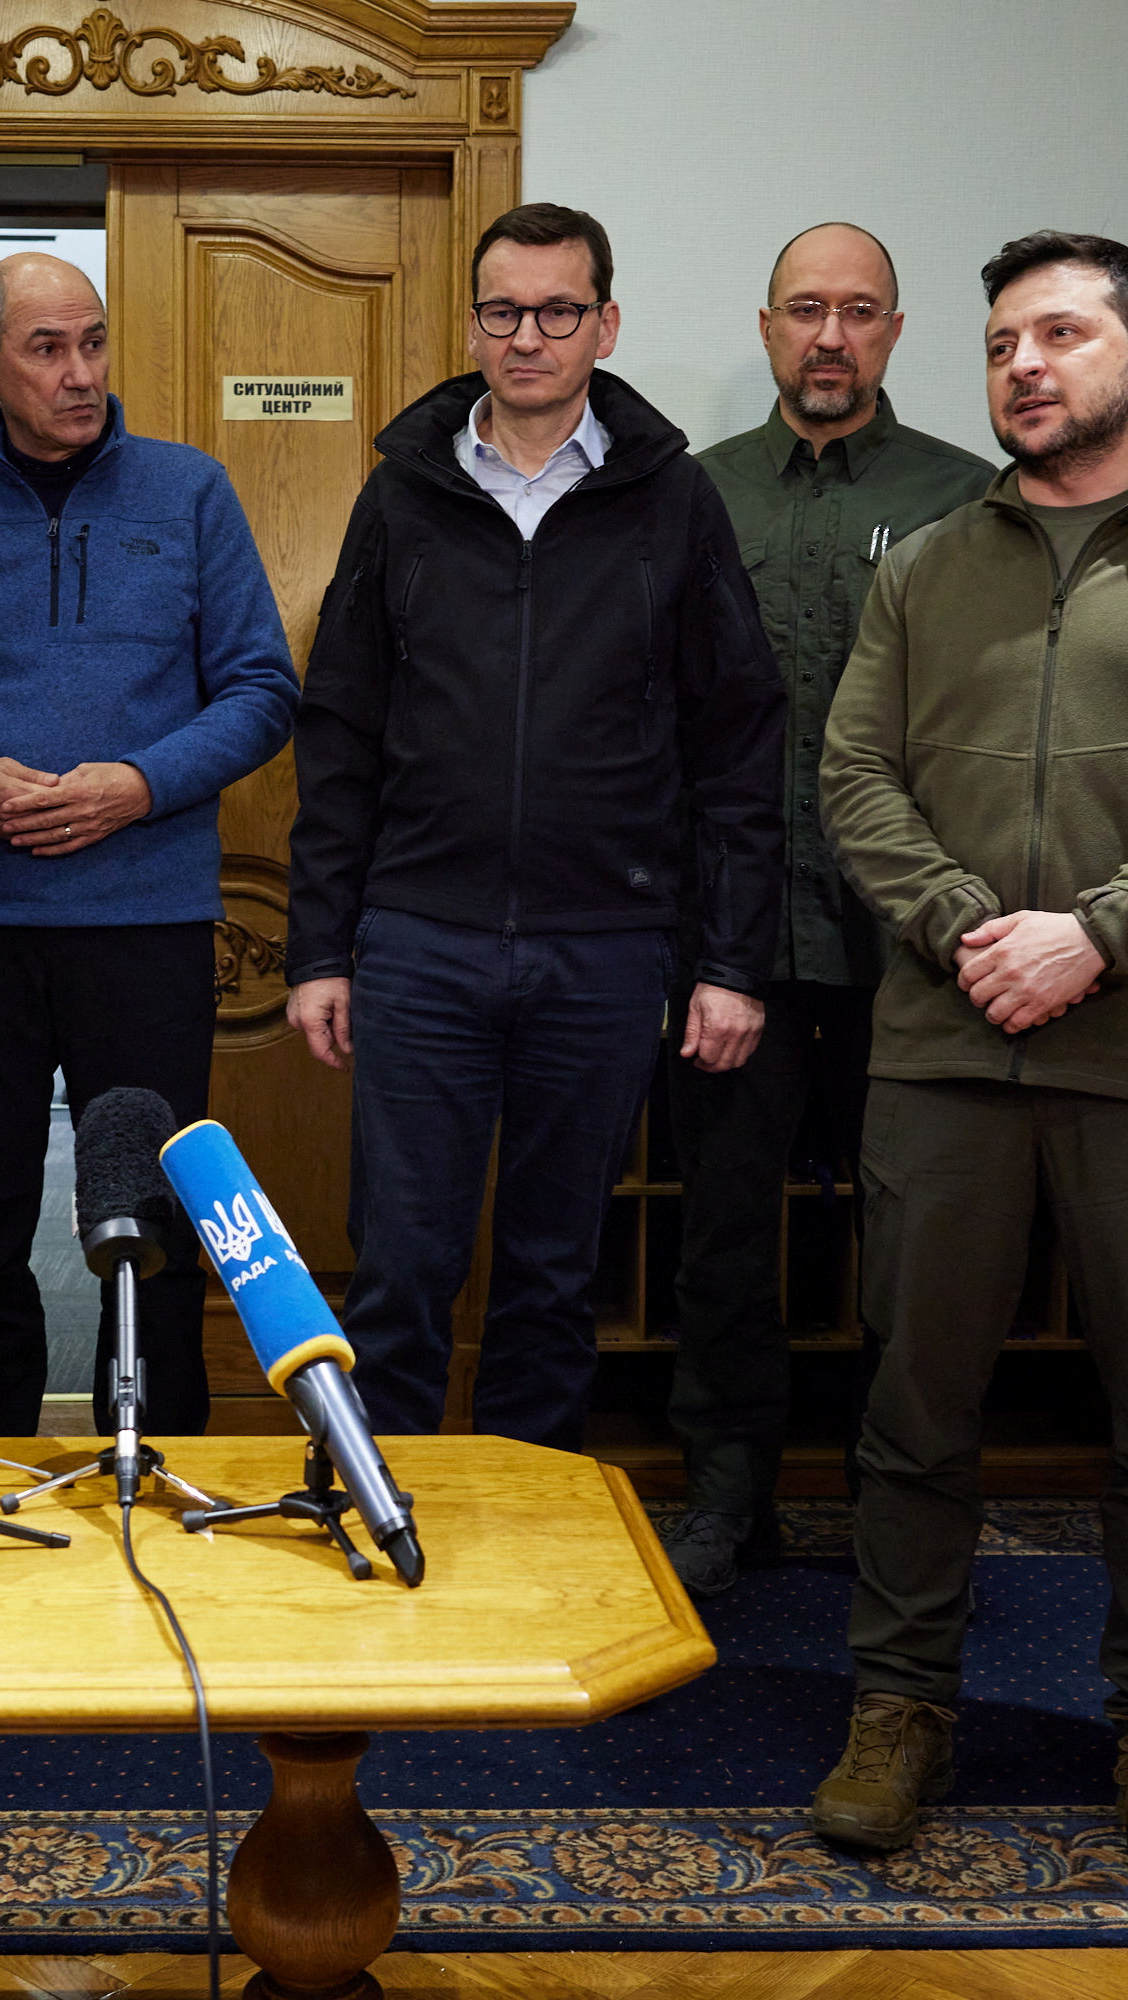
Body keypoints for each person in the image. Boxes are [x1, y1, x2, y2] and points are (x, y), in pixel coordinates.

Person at [810, 234, 1128, 1904]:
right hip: (946, 1052)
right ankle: (901, 1708)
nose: (1022, 365)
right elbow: (853, 775)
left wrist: (1097, 936)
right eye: (998, 343)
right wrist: (981, 929)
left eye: (1058, 334)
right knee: (912, 1407)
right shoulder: (925, 567)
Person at [287, 202, 783, 1449]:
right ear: (473, 321)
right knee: (399, 1268)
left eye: (559, 312)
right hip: (420, 941)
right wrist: (319, 947)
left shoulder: (674, 502)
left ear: (603, 325)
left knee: (557, 1279)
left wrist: (727, 960)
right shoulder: (403, 494)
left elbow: (737, 739)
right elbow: (339, 731)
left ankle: (529, 1556)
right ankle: (381, 1510)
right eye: (503, 311)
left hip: (605, 947)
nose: (528, 337)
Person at [0, 254, 297, 1438]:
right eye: (45, 349)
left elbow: (261, 687)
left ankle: (161, 1459)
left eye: (92, 343)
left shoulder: (189, 492)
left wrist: (140, 783)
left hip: (146, 920)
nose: (79, 374)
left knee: (161, 1223)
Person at [666, 223, 993, 1597]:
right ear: (766, 327)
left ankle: (897, 1500)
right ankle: (727, 1494)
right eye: (807, 310)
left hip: (909, 943)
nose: (831, 336)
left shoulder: (967, 497)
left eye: (859, 312)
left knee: (912, 1244)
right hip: (734, 938)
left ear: (894, 332)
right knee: (722, 1231)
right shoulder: (694, 494)